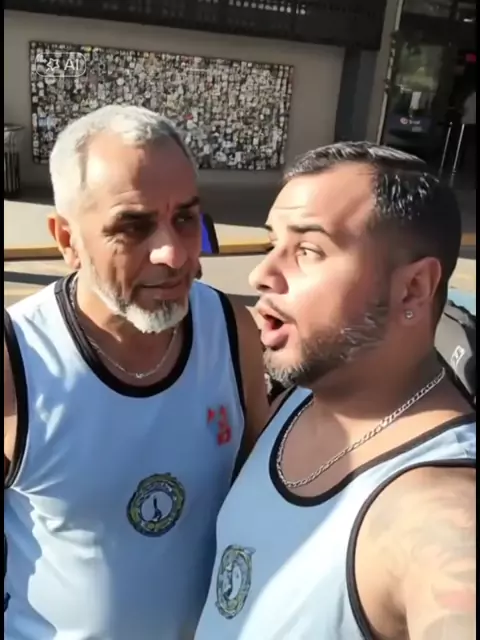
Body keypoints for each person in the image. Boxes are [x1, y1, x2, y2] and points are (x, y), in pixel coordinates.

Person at [3, 105, 268, 640]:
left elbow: (260, 490)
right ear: (67, 239)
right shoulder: (18, 359)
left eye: (185, 219)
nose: (172, 254)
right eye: (133, 226)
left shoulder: (231, 331)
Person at [195, 142, 476, 639]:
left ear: (412, 289)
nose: (261, 274)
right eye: (272, 244)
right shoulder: (301, 395)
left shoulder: (440, 507)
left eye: (308, 250)